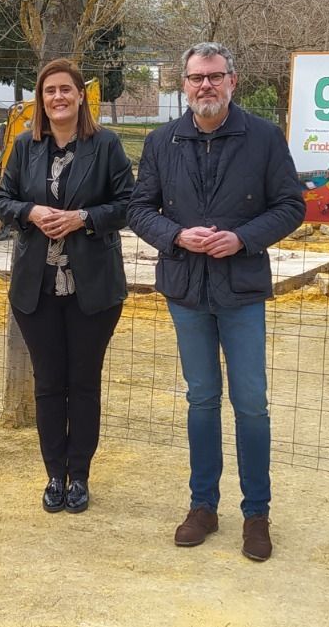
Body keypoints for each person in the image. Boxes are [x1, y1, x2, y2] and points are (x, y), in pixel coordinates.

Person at [126, 42, 304, 561]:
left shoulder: (265, 138)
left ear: (233, 81)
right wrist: (176, 236)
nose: (205, 85)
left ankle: (257, 513)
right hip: (186, 290)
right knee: (201, 399)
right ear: (183, 84)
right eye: (196, 77)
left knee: (250, 403)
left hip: (241, 289)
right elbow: (140, 209)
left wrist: (243, 239)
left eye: (215, 77)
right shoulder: (163, 141)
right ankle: (203, 505)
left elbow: (291, 205)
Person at [0, 58, 135, 515]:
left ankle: (81, 476)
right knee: (49, 384)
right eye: (49, 90)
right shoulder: (24, 145)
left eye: (66, 90)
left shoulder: (106, 145)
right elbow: (2, 198)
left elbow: (129, 203)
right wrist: (30, 212)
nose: (58, 98)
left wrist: (83, 218)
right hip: (37, 288)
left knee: (84, 382)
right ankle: (55, 474)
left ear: (79, 97)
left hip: (93, 287)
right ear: (41, 98)